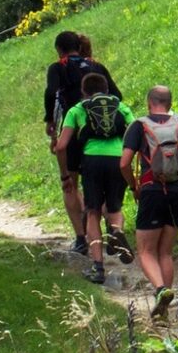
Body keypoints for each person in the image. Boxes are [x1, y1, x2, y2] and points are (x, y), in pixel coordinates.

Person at [120, 86, 178, 320]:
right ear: (170, 103)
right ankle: (164, 310)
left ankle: (161, 290)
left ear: (149, 102)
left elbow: (124, 163)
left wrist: (134, 186)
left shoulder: (139, 126)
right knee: (166, 252)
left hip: (152, 190)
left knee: (146, 251)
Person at [45, 31, 121, 255]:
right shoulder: (97, 67)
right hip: (100, 136)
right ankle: (111, 230)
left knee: (69, 183)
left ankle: (81, 238)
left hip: (73, 132)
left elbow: (51, 92)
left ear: (59, 49)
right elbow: (118, 95)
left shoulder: (58, 67)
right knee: (102, 188)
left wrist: (50, 119)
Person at [56, 72, 133, 285]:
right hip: (118, 160)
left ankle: (98, 268)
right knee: (115, 208)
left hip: (91, 161)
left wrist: (65, 174)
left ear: (84, 92)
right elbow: (137, 133)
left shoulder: (78, 109)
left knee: (92, 212)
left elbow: (61, 146)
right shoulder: (121, 107)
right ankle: (116, 232)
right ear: (107, 90)